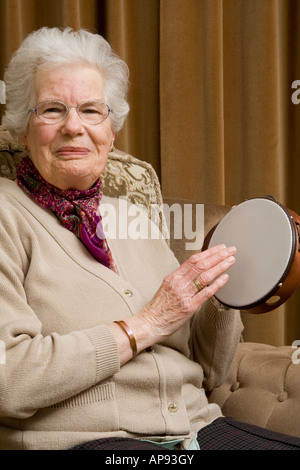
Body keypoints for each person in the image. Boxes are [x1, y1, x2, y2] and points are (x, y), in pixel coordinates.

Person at [0, 27, 299, 451]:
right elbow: (8, 380)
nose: (73, 127)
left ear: (112, 130)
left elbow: (211, 373)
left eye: (91, 110)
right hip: (89, 441)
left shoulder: (135, 218)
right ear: (22, 128)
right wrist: (146, 323)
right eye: (52, 109)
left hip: (200, 431)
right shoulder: (6, 216)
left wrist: (216, 293)